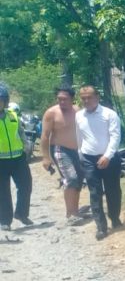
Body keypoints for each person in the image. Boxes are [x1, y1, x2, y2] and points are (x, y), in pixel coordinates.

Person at [75, 85, 123, 240]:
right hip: (88, 158)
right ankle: (101, 227)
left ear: (97, 97)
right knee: (94, 192)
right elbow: (79, 136)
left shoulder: (109, 114)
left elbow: (115, 137)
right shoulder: (79, 116)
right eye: (83, 98)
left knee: (113, 190)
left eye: (89, 97)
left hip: (109, 158)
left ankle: (115, 218)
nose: (86, 100)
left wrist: (107, 156)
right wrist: (80, 153)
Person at [41, 86, 85, 225]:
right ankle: (70, 214)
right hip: (60, 149)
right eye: (59, 99)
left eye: (65, 99)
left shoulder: (78, 111)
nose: (62, 102)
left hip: (78, 150)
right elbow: (45, 136)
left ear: (72, 99)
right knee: (71, 178)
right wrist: (46, 157)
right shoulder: (51, 113)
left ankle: (76, 211)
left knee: (79, 179)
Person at [0, 84, 34, 232]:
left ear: (5, 101)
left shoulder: (13, 115)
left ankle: (21, 214)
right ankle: (4, 221)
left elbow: (21, 133)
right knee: (3, 191)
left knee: (26, 185)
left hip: (18, 158)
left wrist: (26, 148)